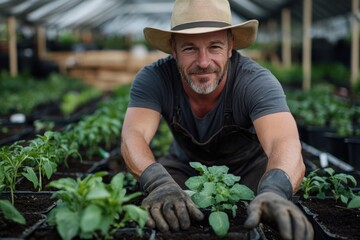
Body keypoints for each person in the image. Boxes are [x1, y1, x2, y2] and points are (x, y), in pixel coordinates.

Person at [121, 0, 314, 239]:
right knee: (164, 215)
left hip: (251, 171)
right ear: (173, 48)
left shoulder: (254, 82)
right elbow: (133, 135)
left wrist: (274, 189)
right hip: (186, 168)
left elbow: (283, 141)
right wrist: (157, 182)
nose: (203, 62)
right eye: (189, 48)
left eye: (214, 47)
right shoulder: (155, 79)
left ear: (230, 46)